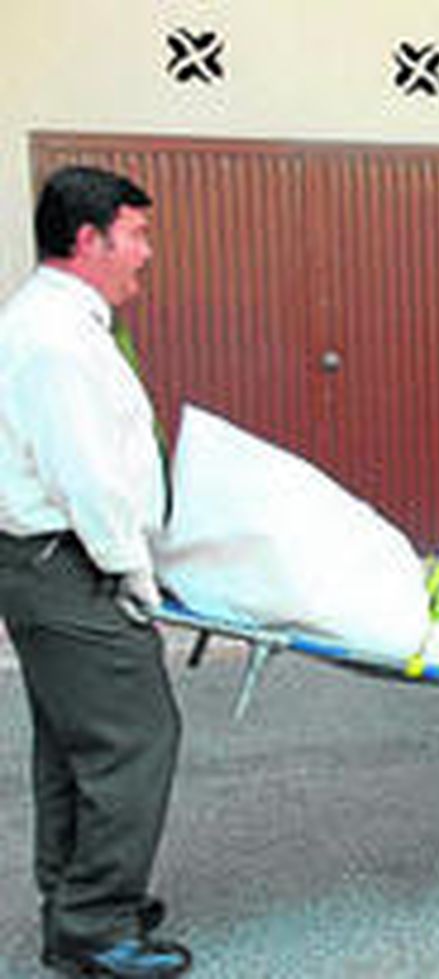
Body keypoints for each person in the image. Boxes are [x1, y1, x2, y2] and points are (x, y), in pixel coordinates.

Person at [0, 167, 191, 977]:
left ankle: (77, 904)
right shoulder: (55, 337)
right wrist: (135, 574)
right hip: (72, 563)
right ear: (89, 240)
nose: (146, 251)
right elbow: (87, 477)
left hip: (53, 562)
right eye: (137, 234)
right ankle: (94, 925)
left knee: (77, 745)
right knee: (135, 736)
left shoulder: (56, 322)